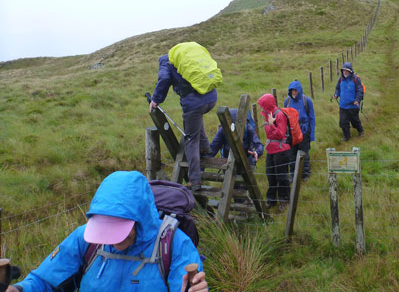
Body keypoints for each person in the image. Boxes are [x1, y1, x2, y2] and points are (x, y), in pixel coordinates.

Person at [8, 171, 208, 292]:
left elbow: (184, 286)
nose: (111, 240)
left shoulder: (175, 246)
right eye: (105, 229)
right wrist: (18, 289)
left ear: (141, 220)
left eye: (118, 230)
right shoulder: (85, 239)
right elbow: (44, 280)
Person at [149, 52, 217, 191]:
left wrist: (155, 100)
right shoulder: (188, 56)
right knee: (196, 118)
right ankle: (205, 148)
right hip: (211, 98)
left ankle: (195, 180)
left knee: (191, 139)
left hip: (194, 103)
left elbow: (164, 79)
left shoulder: (165, 61)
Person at [257, 93, 291, 212]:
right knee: (270, 175)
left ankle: (284, 200)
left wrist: (271, 124)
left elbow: (281, 134)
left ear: (267, 105)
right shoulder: (268, 114)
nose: (261, 108)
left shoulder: (279, 115)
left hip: (281, 150)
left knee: (281, 176)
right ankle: (271, 200)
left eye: (262, 105)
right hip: (271, 149)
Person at [283, 80, 315, 181]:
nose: (294, 92)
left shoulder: (307, 101)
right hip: (292, 132)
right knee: (291, 154)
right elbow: (284, 117)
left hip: (304, 131)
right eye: (292, 90)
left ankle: (305, 174)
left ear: (299, 90)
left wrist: (312, 134)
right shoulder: (287, 101)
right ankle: (293, 174)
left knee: (304, 152)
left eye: (295, 90)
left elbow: (312, 118)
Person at [333, 62, 364, 141]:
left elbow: (360, 91)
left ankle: (361, 131)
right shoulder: (340, 79)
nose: (345, 72)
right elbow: (337, 89)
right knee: (343, 122)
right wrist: (336, 94)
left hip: (353, 105)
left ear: (350, 71)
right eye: (343, 70)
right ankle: (347, 136)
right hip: (343, 106)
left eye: (346, 70)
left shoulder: (356, 79)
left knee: (355, 121)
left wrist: (357, 100)